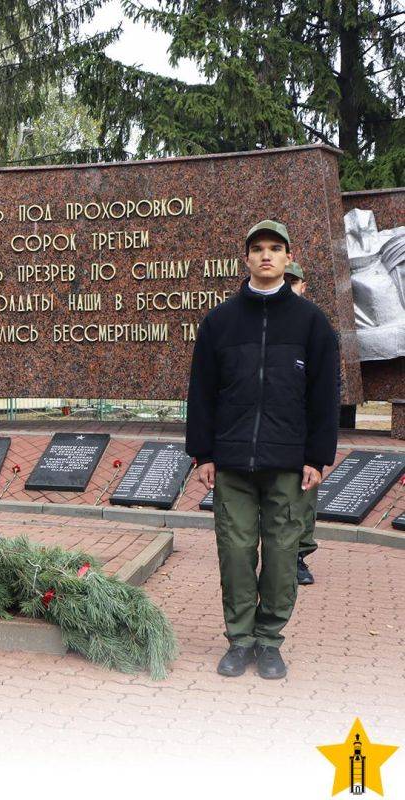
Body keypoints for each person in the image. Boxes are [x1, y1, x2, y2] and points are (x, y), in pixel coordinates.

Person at [186, 220, 339, 679]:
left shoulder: (312, 323)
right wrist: (203, 454)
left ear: (288, 257)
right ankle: (240, 639)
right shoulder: (220, 322)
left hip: (289, 465)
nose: (266, 256)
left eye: (275, 248)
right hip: (231, 462)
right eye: (258, 248)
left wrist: (316, 458)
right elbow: (202, 392)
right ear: (246, 258)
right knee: (234, 554)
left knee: (279, 556)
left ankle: (269, 641)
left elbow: (324, 396)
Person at [284, 262, 318, 586]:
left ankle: (298, 557)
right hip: (273, 428)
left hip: (303, 428)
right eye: (285, 281)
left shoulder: (314, 325)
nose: (289, 286)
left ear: (303, 286)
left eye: (294, 282)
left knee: (304, 496)